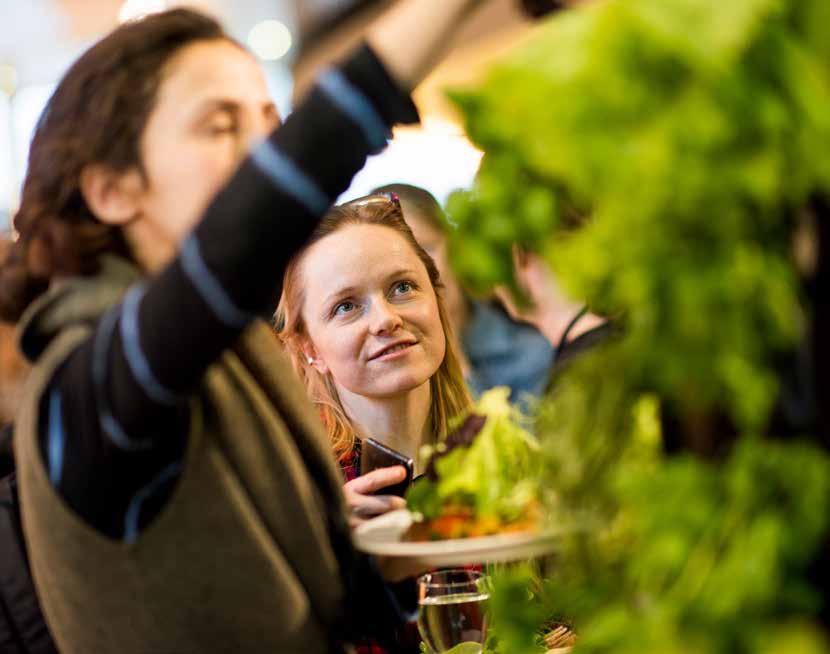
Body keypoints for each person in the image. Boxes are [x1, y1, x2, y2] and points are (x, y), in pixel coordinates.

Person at [0, 2, 489, 652]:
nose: (261, 154)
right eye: (220, 125)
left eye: (268, 123)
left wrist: (373, 573)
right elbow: (236, 242)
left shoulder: (229, 363)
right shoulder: (89, 384)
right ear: (112, 189)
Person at [276, 195, 471, 523]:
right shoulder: (295, 486)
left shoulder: (505, 456)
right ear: (309, 348)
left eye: (402, 287)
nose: (385, 319)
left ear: (437, 299)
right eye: (346, 306)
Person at [372, 183, 606, 400]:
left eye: (425, 249)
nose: (415, 272)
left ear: (456, 246)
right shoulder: (381, 357)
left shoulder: (528, 349)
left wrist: (457, 364)